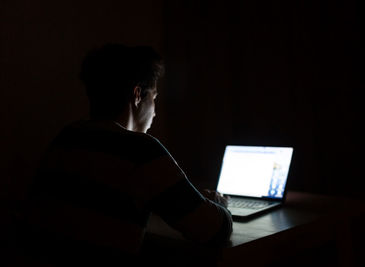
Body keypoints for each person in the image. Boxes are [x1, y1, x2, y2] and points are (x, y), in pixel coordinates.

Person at [23, 44, 232, 266]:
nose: (155, 111)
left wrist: (187, 201)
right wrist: (218, 205)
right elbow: (214, 230)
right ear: (138, 95)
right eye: (155, 98)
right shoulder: (141, 151)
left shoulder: (66, 137)